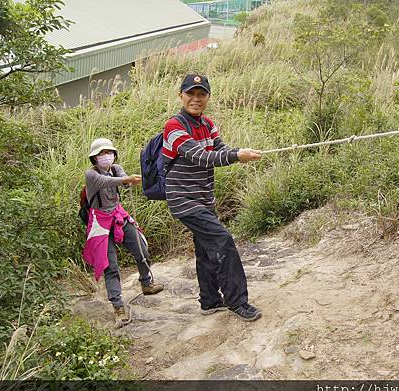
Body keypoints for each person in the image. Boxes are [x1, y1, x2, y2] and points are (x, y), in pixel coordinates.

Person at [162, 74, 263, 321]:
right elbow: (203, 157)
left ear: (207, 97)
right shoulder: (174, 127)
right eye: (190, 94)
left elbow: (220, 150)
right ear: (181, 96)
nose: (196, 99)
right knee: (223, 241)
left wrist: (240, 152)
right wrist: (238, 156)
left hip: (203, 199)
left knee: (206, 249)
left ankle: (209, 300)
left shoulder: (207, 124)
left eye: (201, 94)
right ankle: (238, 301)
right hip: (184, 201)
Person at [82, 138, 164, 323]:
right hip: (100, 221)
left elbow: (124, 181)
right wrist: (126, 180)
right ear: (94, 157)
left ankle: (146, 283)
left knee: (141, 247)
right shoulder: (91, 174)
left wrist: (131, 180)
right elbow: (107, 182)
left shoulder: (116, 168)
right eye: (101, 154)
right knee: (110, 265)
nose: (106, 156)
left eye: (109, 152)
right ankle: (118, 306)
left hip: (117, 215)